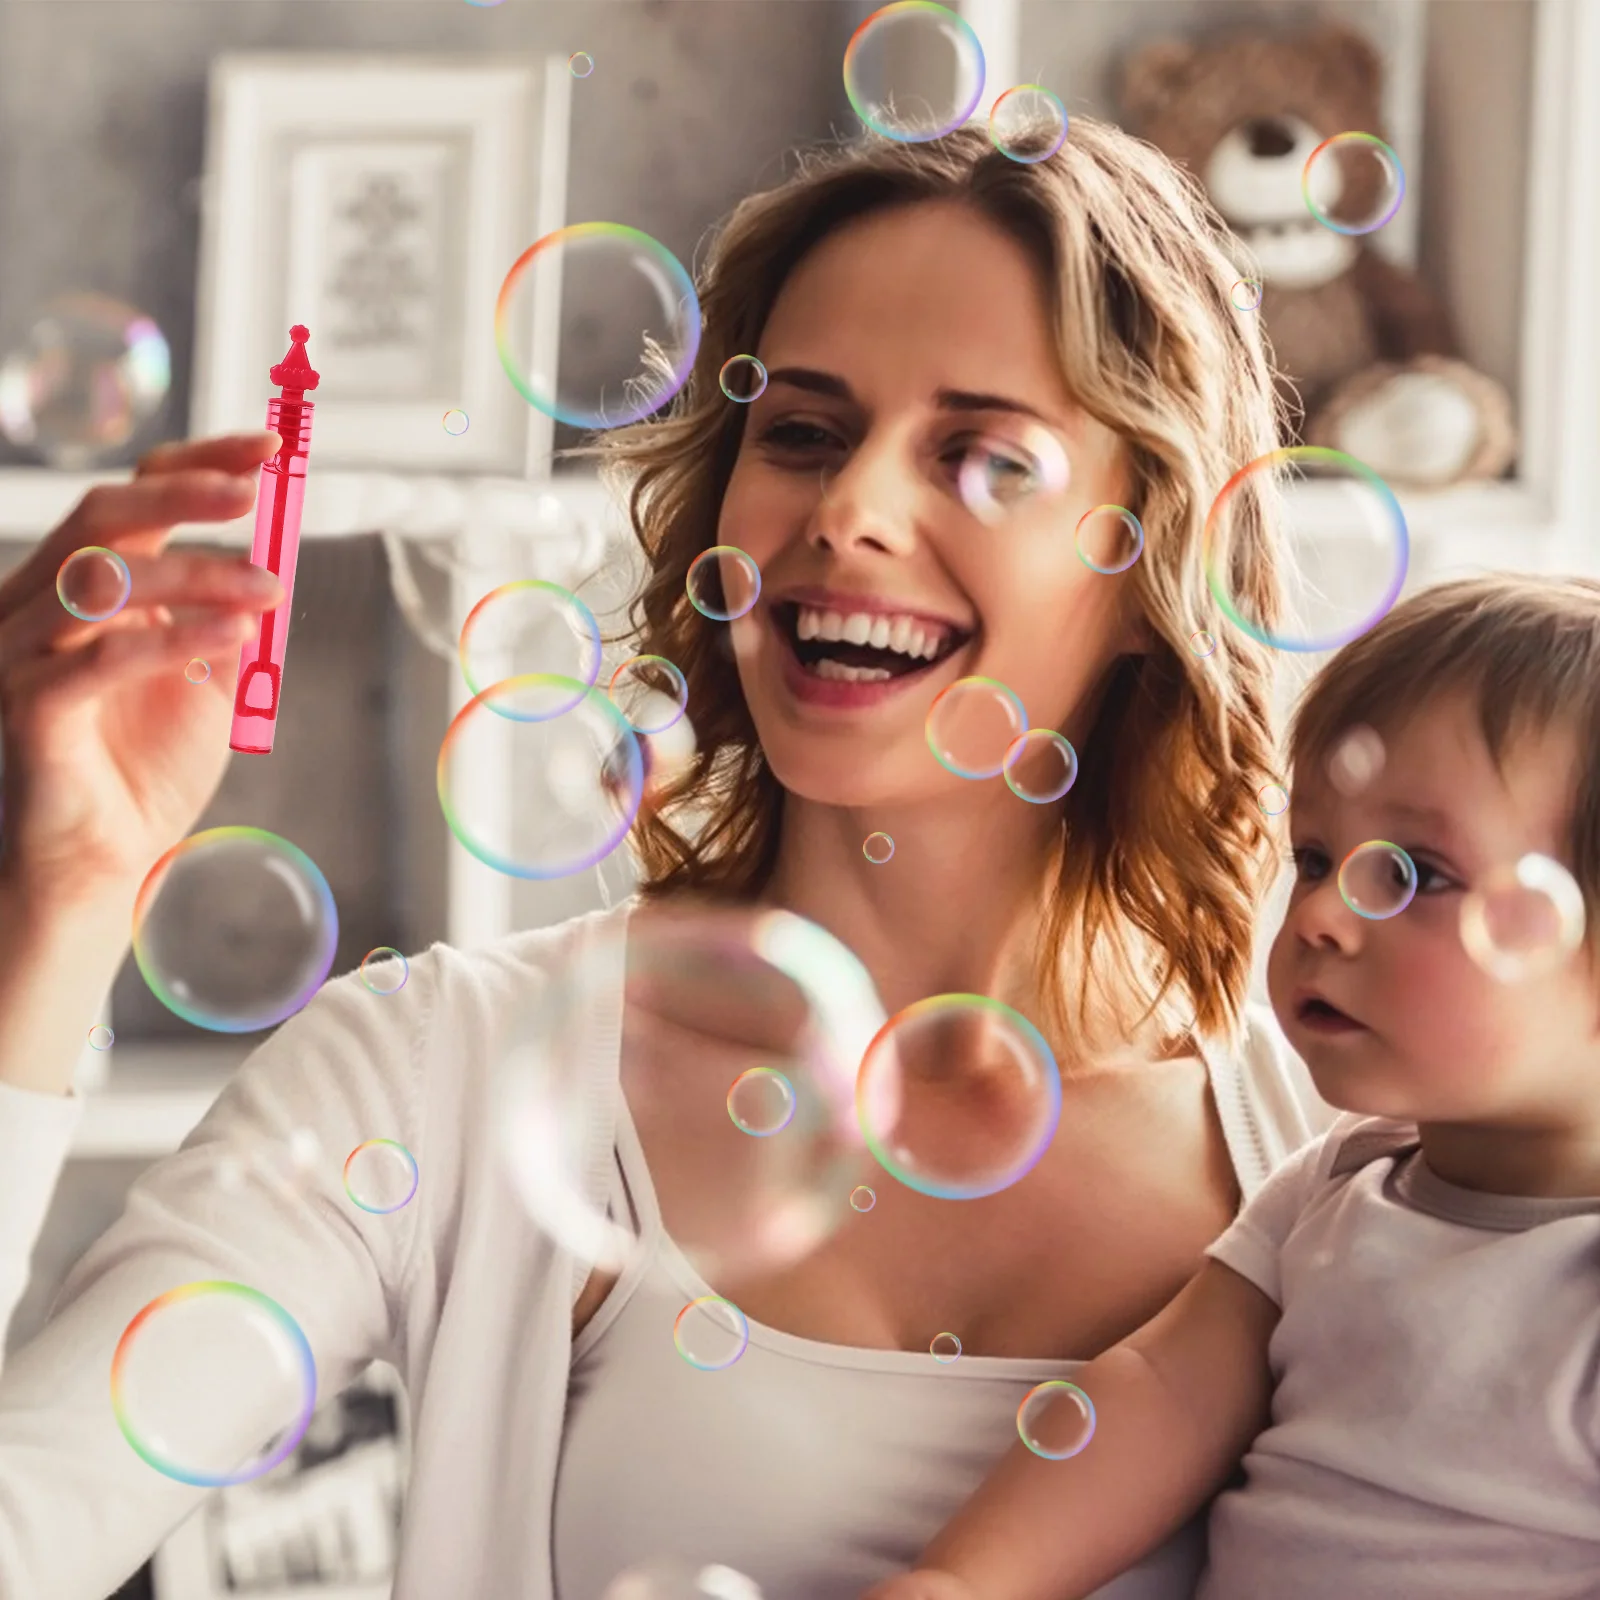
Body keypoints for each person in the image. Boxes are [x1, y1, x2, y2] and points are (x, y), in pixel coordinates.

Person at [0, 118, 1333, 1600]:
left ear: (1153, 563)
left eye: (982, 455)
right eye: (806, 433)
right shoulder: (434, 1075)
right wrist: (60, 899)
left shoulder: (1355, 1159)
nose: (847, 511)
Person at [864, 574, 1600, 1600]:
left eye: (1414, 874)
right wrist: (961, 1580)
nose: (1321, 919)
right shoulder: (1336, 1184)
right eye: (1313, 856)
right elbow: (1161, 1393)